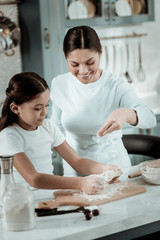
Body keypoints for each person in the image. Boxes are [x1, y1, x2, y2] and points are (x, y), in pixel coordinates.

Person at [50, 25, 157, 176]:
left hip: (114, 171)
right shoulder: (59, 84)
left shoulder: (116, 85)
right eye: (75, 64)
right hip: (74, 174)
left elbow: (150, 118)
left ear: (100, 53)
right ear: (65, 56)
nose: (83, 71)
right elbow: (56, 127)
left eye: (90, 62)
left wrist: (126, 114)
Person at [0, 72, 121, 195]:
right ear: (15, 108)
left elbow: (77, 162)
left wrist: (105, 169)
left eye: (47, 105)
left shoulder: (48, 126)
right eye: (37, 108)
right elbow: (34, 179)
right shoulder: (9, 136)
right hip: (22, 200)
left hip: (49, 194)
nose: (44, 112)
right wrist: (81, 183)